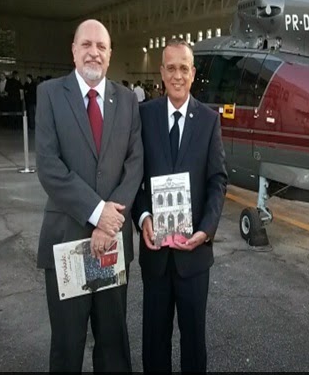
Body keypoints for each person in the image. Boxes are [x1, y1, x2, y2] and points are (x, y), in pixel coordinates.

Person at [35, 19, 144, 372]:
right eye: (86, 44)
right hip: (68, 242)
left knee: (113, 346)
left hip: (112, 245)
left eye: (101, 46)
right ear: (74, 50)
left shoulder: (127, 100)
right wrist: (98, 213)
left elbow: (135, 163)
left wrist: (108, 224)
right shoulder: (50, 94)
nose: (93, 52)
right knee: (67, 347)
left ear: (110, 55)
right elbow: (49, 166)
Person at [132, 39, 227, 373]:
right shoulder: (144, 116)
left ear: (192, 73)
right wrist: (142, 215)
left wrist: (207, 229)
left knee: (194, 343)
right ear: (161, 72)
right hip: (155, 254)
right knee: (154, 341)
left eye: (183, 68)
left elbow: (217, 180)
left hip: (194, 256)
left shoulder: (209, 120)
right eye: (170, 68)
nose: (176, 75)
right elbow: (134, 178)